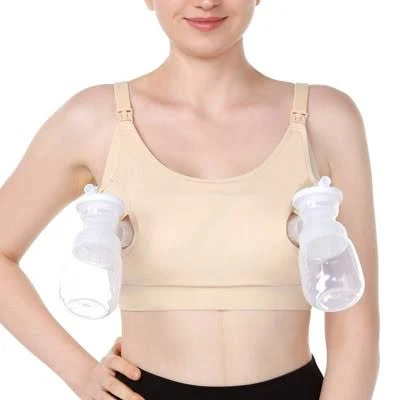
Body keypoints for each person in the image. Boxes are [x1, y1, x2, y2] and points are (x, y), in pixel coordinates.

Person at [0, 0, 380, 399]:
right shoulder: (95, 121)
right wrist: (79, 374)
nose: (206, 1)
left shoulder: (326, 119)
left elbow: (357, 325)